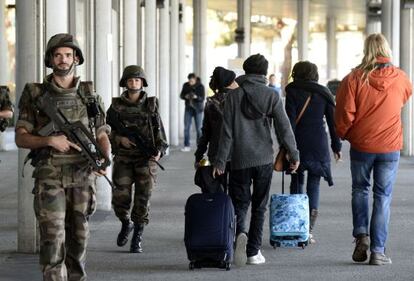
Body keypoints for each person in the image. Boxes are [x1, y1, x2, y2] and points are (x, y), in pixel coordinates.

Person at [15, 33, 111, 281]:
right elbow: (21, 137)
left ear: (76, 58)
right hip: (50, 177)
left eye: (68, 55)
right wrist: (49, 140)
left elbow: (102, 133)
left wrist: (103, 159)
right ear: (50, 59)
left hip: (82, 175)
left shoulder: (89, 95)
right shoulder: (35, 94)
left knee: (79, 241)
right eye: (57, 55)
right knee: (53, 238)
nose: (63, 59)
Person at [213, 54, 300, 266]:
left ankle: (240, 233)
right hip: (263, 159)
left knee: (240, 203)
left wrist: (220, 161)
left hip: (239, 159)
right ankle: (253, 252)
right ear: (264, 72)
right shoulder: (271, 95)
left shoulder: (232, 96)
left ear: (245, 70)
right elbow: (284, 128)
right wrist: (293, 154)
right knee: (260, 206)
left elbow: (227, 133)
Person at [335, 33, 412, 266]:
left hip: (362, 145)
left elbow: (344, 113)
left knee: (360, 190)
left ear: (366, 49)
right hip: (390, 147)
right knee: (383, 197)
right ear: (386, 49)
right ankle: (378, 251)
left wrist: (346, 134)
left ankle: (361, 235)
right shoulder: (400, 78)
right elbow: (405, 97)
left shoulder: (353, 79)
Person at [106, 65, 168, 253]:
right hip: (124, 159)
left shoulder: (151, 105)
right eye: (131, 80)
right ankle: (126, 223)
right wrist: (119, 139)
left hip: (145, 160)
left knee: (143, 198)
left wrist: (159, 151)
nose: (134, 83)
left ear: (143, 83)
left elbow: (160, 133)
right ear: (125, 82)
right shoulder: (116, 106)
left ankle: (138, 235)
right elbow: (105, 131)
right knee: (120, 198)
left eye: (137, 80)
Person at [285, 61, 342, 244]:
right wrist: (336, 146)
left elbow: (290, 123)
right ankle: (308, 231)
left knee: (296, 182)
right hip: (318, 144)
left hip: (298, 143)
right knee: (314, 185)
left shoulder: (292, 91)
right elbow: (333, 124)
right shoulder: (323, 93)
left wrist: (288, 148)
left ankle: (296, 228)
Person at [194, 66, 238, 191]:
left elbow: (206, 133)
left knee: (218, 192)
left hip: (216, 153)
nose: (237, 83)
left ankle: (221, 210)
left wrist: (199, 155)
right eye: (234, 81)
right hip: (238, 154)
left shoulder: (211, 102)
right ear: (228, 84)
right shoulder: (239, 100)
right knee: (237, 193)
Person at [180, 73, 205, 152]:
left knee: (199, 129)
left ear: (195, 79)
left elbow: (202, 98)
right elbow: (181, 95)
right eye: (189, 81)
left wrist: (196, 97)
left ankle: (200, 147)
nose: (190, 82)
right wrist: (186, 96)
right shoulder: (185, 85)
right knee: (186, 128)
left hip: (198, 109)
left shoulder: (200, 86)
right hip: (188, 108)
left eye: (192, 81)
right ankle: (186, 145)